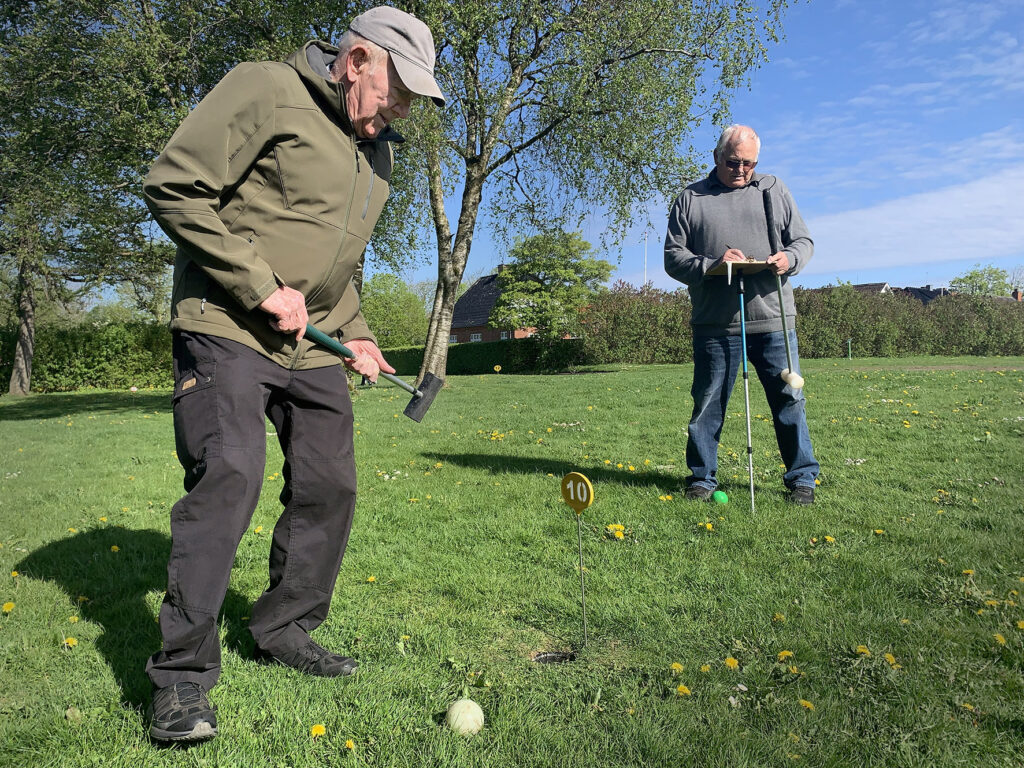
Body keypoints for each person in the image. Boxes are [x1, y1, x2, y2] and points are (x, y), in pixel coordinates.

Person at [141, 6, 445, 743]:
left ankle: (284, 627)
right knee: (231, 472)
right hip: (226, 324)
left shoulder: (378, 156)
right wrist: (258, 284)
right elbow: (173, 184)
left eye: (414, 98)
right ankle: (180, 679)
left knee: (329, 483)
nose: (402, 109)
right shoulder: (266, 89)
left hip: (311, 342)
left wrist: (359, 334)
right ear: (357, 60)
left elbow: (340, 269)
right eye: (398, 90)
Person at [664, 124, 819, 506]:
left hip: (773, 319)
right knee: (708, 404)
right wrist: (711, 264)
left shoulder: (774, 189)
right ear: (717, 157)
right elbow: (673, 257)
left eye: (749, 163)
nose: (741, 170)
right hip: (716, 323)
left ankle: (802, 479)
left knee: (790, 400)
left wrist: (790, 258)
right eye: (733, 162)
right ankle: (702, 479)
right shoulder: (691, 198)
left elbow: (803, 241)